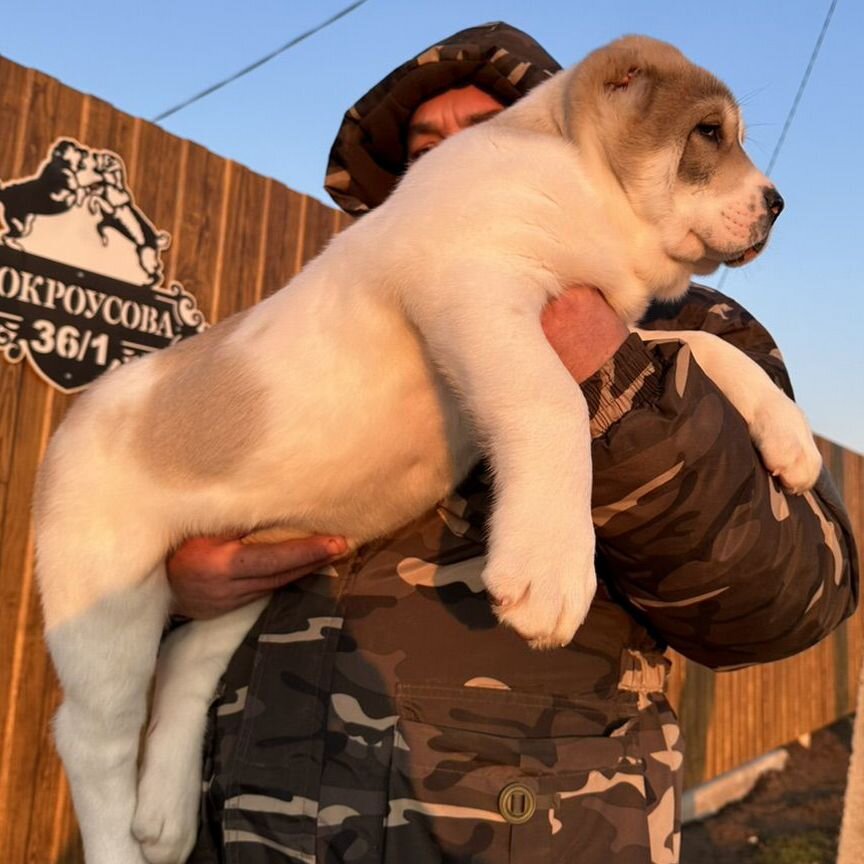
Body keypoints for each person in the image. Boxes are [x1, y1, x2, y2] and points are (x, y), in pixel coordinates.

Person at [172, 23, 858, 864]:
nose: (456, 164)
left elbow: (790, 599)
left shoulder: (678, 322)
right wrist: (180, 580)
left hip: (527, 830)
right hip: (254, 825)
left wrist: (609, 375)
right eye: (424, 149)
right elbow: (180, 512)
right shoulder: (299, 331)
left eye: (488, 133)